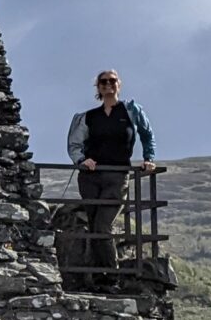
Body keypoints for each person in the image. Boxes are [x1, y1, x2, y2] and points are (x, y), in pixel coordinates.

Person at [65, 71, 156, 281]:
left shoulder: (131, 110)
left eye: (112, 81)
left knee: (102, 225)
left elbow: (147, 133)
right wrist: (81, 160)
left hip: (117, 176)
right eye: (103, 82)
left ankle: (110, 275)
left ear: (119, 84)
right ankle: (100, 277)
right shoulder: (88, 117)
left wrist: (149, 158)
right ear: (98, 87)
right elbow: (75, 144)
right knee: (94, 224)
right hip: (91, 177)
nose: (108, 85)